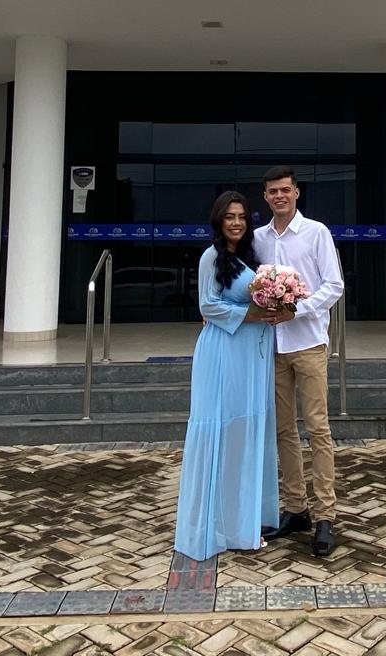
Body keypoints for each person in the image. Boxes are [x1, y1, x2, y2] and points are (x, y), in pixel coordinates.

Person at [173, 191, 280, 560]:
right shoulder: (211, 257)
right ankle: (213, 527)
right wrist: (251, 315)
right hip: (223, 352)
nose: (236, 223)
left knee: (246, 435)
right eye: (229, 217)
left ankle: (243, 523)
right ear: (218, 221)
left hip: (252, 356)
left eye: (242, 217)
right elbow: (207, 305)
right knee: (221, 431)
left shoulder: (249, 258)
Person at [253, 166, 345, 557]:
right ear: (265, 196)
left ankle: (325, 515)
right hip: (272, 346)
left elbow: (334, 285)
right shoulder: (257, 238)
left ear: (297, 193)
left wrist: (298, 309)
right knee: (283, 431)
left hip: (307, 343)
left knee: (318, 429)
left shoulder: (316, 232)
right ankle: (296, 508)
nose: (279, 196)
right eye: (273, 191)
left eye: (285, 190)